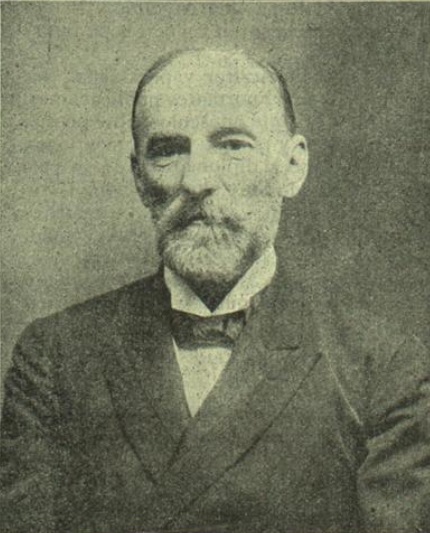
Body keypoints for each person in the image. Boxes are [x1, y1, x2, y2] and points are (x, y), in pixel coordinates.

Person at [1, 49, 429, 533]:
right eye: (168, 150)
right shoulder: (56, 357)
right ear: (139, 178)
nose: (197, 180)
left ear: (292, 166)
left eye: (232, 146)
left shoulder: (381, 369)